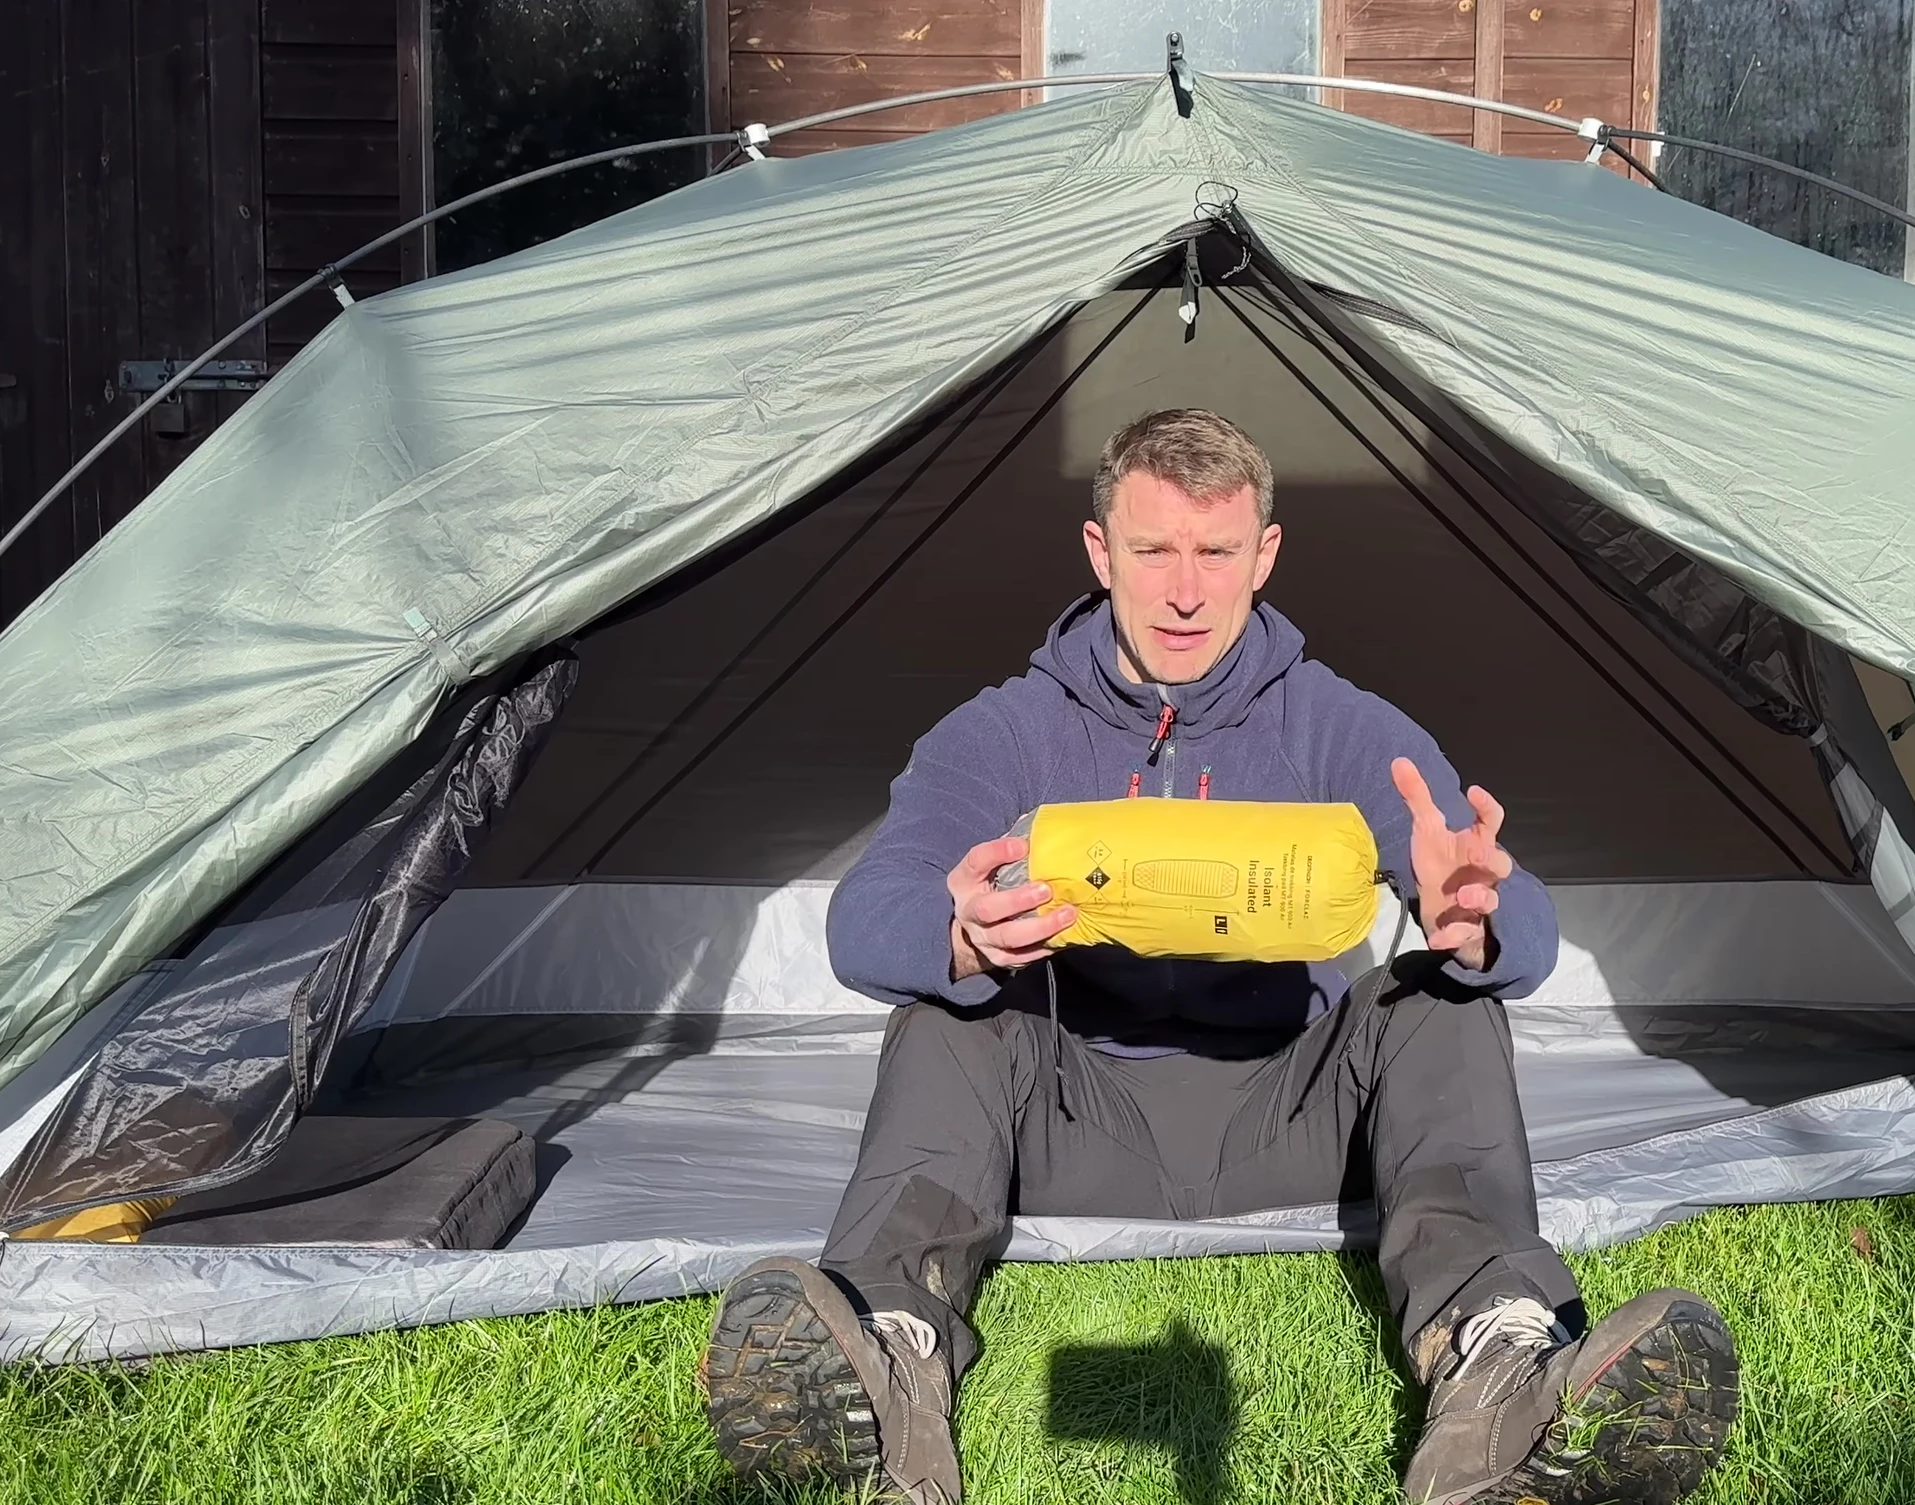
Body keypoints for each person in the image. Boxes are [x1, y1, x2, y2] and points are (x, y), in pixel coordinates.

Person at [699, 410, 1739, 1504]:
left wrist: (1479, 919)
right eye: (1151, 551)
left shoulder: (1339, 724)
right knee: (945, 1005)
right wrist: (952, 930)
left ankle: (1503, 1380)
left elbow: (1516, 921)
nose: (1184, 591)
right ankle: (883, 1366)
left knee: (1441, 996)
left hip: (1296, 1119)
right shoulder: (1002, 731)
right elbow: (864, 916)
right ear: (1101, 553)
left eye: (1216, 553)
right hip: (1070, 1115)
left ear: (1264, 556)